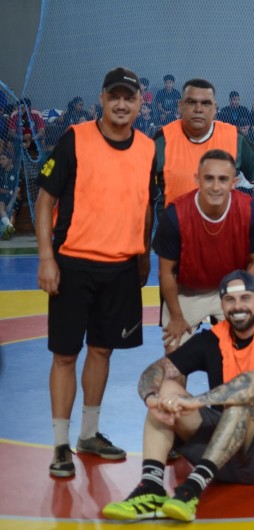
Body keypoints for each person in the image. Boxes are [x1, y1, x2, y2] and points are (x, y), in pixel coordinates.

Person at [34, 67, 156, 478]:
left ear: (140, 104)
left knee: (102, 350)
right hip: (73, 264)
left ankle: (89, 433)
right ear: (102, 99)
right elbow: (45, 200)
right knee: (65, 354)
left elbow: (147, 204)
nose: (122, 104)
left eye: (129, 98)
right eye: (114, 96)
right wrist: (47, 259)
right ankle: (60, 445)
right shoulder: (76, 138)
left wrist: (143, 255)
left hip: (121, 268)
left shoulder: (147, 148)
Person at [102, 271, 254, 522]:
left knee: (245, 398)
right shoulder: (212, 338)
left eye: (245, 298)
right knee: (167, 391)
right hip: (223, 455)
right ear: (221, 305)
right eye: (230, 300)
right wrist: (152, 398)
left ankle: (191, 490)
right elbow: (156, 370)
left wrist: (197, 401)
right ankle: (151, 488)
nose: (237, 306)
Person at [152, 149, 254, 352]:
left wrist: (245, 299)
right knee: (174, 364)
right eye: (208, 179)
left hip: (232, 291)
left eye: (223, 179)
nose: (215, 187)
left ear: (234, 182)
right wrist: (176, 317)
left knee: (244, 357)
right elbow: (165, 272)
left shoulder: (249, 211)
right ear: (197, 179)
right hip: (187, 292)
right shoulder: (175, 214)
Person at [154, 78, 254, 208]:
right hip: (175, 227)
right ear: (180, 106)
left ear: (215, 108)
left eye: (206, 103)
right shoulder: (162, 140)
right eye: (191, 102)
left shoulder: (234, 138)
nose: (198, 109)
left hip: (224, 226)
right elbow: (144, 195)